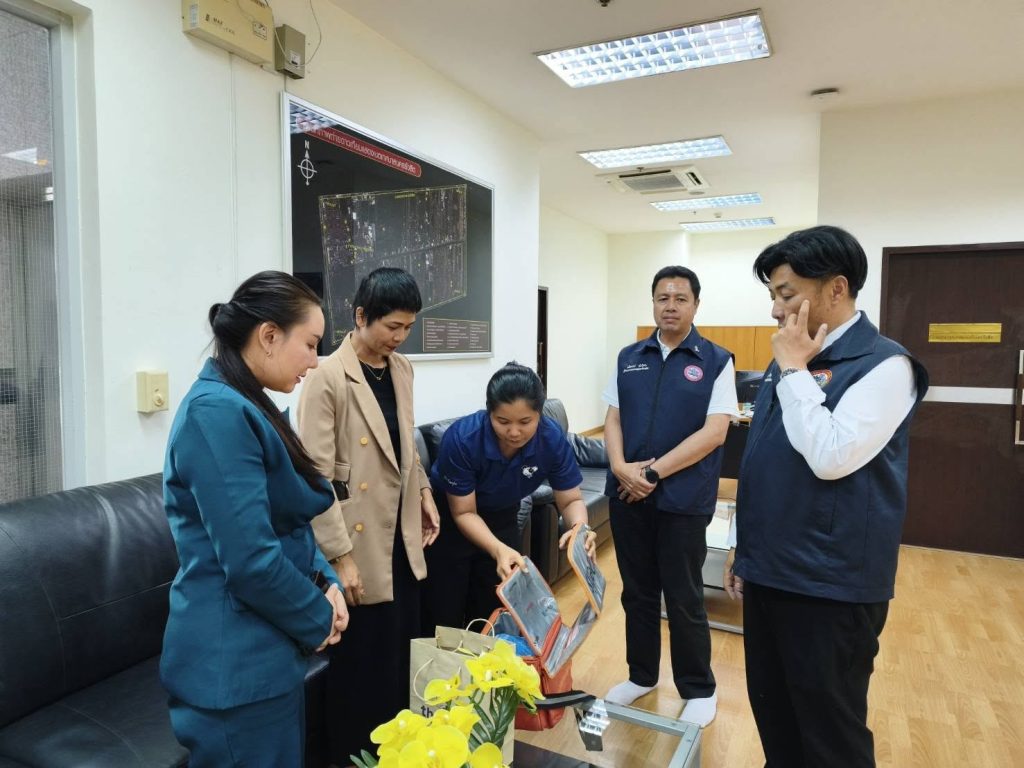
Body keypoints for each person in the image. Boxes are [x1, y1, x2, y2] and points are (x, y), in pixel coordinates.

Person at [723, 225, 928, 767]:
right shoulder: (790, 361)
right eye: (772, 295)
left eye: (786, 293)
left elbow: (831, 456)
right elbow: (762, 462)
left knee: (830, 734)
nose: (775, 310)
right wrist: (744, 549)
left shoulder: (886, 365)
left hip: (829, 585)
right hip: (770, 570)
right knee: (776, 717)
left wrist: (793, 369)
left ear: (836, 288)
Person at [161, 271, 348, 767]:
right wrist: (318, 616)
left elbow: (288, 524)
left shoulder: (249, 403)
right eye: (310, 344)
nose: (314, 361)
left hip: (268, 651)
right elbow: (250, 559)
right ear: (269, 335)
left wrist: (326, 583)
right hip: (234, 664)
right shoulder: (215, 414)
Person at [297, 267, 440, 765]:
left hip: (400, 534)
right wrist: (341, 557)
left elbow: (406, 444)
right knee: (363, 670)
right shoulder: (327, 377)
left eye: (408, 327)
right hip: (357, 542)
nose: (400, 338)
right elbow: (315, 478)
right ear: (360, 316)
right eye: (392, 326)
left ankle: (400, 755)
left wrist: (423, 492)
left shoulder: (402, 369)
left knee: (402, 658)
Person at [602, 266, 738, 728]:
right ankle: (640, 676)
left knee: (683, 596)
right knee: (637, 593)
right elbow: (613, 417)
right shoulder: (629, 356)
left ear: (696, 305)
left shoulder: (716, 360)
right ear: (653, 303)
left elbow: (715, 432)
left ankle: (698, 688)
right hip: (627, 495)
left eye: (681, 298)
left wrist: (653, 472)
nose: (671, 306)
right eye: (663, 298)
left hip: (682, 499)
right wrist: (620, 466)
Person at [421, 362, 596, 634]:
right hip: (450, 522)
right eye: (503, 422)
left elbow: (571, 500)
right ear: (489, 412)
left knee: (494, 608)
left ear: (539, 414)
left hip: (502, 516)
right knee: (445, 611)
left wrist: (579, 529)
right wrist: (497, 549)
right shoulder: (464, 439)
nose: (514, 432)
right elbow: (464, 512)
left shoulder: (551, 439)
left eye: (525, 422)